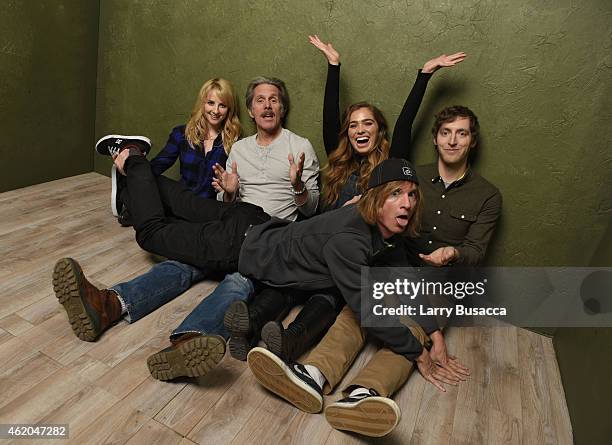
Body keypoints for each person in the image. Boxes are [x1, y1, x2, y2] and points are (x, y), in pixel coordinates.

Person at [256, 37, 466, 363]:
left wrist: (424, 74)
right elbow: (329, 119)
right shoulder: (338, 162)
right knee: (285, 284)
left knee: (329, 295)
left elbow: (407, 123)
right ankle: (250, 323)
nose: (359, 130)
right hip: (313, 246)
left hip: (349, 259)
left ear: (379, 130)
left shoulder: (390, 168)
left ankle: (290, 342)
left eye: (367, 123)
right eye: (353, 125)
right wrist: (334, 66)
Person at [54, 78, 241, 342]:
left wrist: (228, 191)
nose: (215, 110)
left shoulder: (236, 142)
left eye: (222, 105)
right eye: (211, 102)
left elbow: (232, 188)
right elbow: (161, 165)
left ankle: (111, 305)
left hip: (206, 213)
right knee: (150, 181)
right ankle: (131, 163)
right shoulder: (182, 133)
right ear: (202, 103)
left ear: (229, 109)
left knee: (184, 260)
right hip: (179, 203)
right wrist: (138, 181)